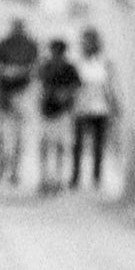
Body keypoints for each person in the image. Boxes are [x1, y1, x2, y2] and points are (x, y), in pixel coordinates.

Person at [0, 17, 39, 185]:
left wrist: (20, 72)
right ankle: (1, 162)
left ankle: (15, 169)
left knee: (18, 133)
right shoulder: (4, 44)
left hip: (21, 92)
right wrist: (3, 70)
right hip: (3, 92)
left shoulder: (30, 46)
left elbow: (36, 67)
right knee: (0, 132)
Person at [71, 25, 118, 189]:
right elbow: (74, 85)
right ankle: (75, 176)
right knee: (78, 144)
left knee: (98, 144)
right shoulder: (78, 63)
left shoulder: (105, 62)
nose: (86, 45)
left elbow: (109, 85)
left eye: (89, 42)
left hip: (100, 107)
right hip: (82, 106)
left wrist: (114, 105)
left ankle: (96, 177)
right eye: (84, 42)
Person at [36, 37, 81, 194]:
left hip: (63, 111)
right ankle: (44, 177)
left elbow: (76, 86)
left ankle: (57, 178)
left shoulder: (69, 68)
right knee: (45, 144)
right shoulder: (46, 66)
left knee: (60, 145)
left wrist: (65, 94)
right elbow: (39, 84)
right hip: (47, 110)